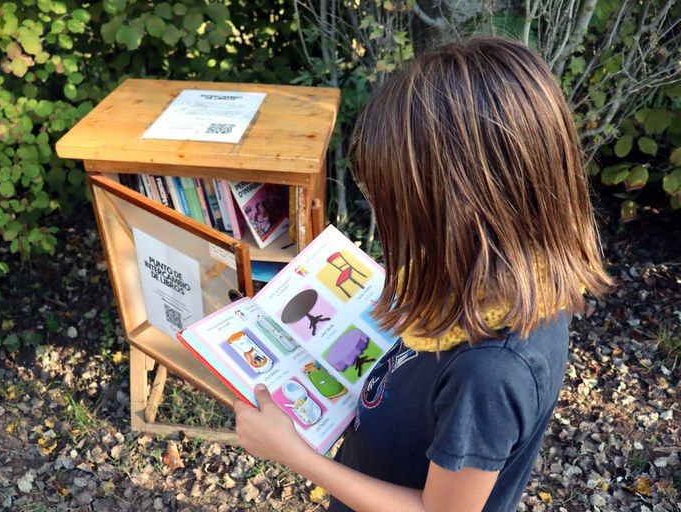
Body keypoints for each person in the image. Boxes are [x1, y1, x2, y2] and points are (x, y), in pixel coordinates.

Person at [233, 36, 611, 512]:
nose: (386, 220)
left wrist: (293, 454)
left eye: (396, 206)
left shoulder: (491, 370)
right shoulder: (496, 278)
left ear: (456, 212)